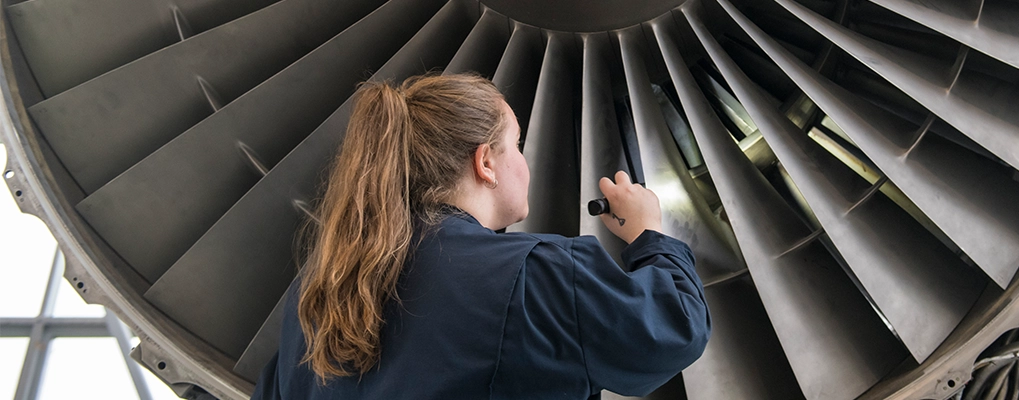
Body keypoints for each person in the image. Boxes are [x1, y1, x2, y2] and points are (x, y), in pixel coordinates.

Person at [251, 73, 710, 400]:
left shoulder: (319, 287)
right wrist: (650, 234)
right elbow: (672, 332)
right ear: (486, 162)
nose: (525, 164)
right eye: (517, 145)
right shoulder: (537, 273)